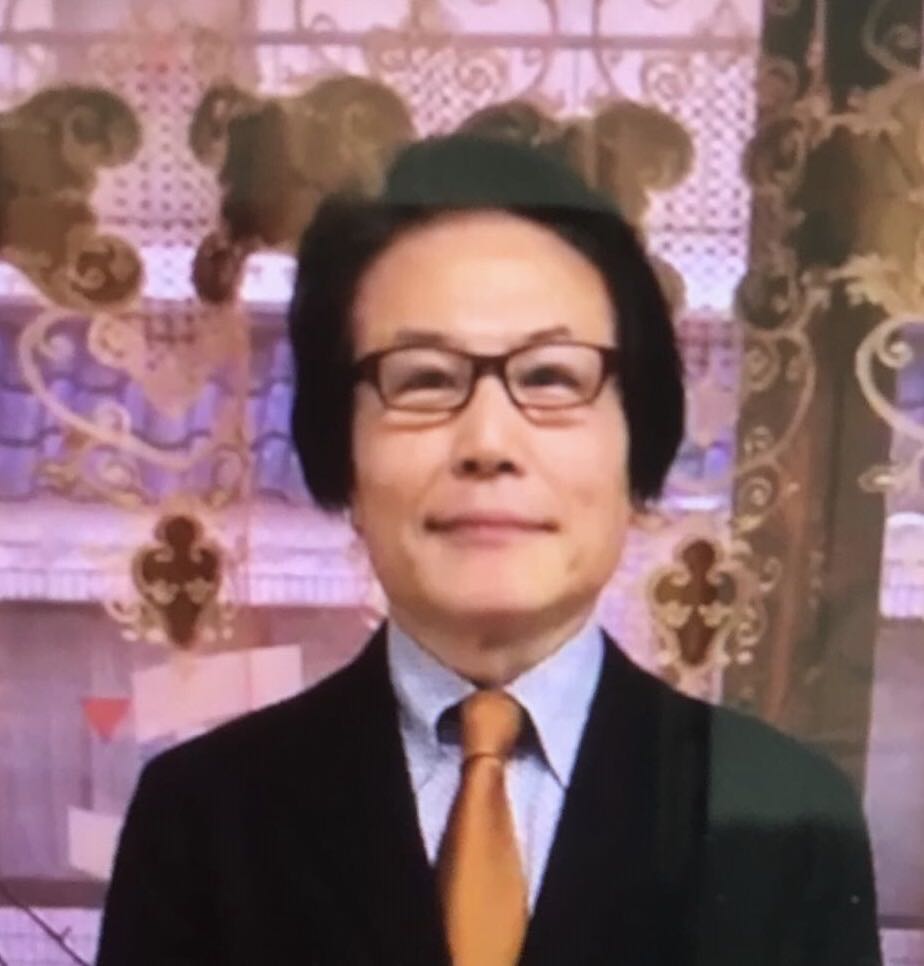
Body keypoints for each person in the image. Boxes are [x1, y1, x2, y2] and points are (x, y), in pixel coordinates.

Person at [96, 135, 881, 966]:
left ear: (636, 446)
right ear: (342, 452)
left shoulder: (788, 819)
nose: (488, 443)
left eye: (551, 377)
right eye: (424, 379)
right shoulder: (205, 816)